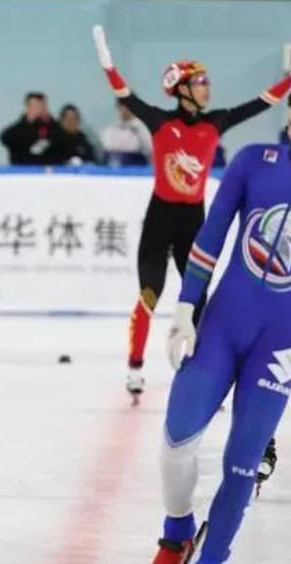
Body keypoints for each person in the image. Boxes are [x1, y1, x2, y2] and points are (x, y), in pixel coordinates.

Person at [92, 24, 291, 403]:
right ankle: (135, 367)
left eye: (207, 81)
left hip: (192, 224)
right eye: (200, 81)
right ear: (181, 88)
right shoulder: (160, 122)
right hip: (160, 220)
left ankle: (197, 373)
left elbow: (263, 101)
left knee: (197, 302)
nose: (207, 87)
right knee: (149, 295)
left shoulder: (216, 122)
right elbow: (124, 94)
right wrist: (106, 61)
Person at [159, 108, 291, 563]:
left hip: (281, 345)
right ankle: (176, 530)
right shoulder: (254, 161)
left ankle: (212, 558)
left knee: (243, 463)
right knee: (177, 439)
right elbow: (211, 234)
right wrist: (185, 305)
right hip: (222, 326)